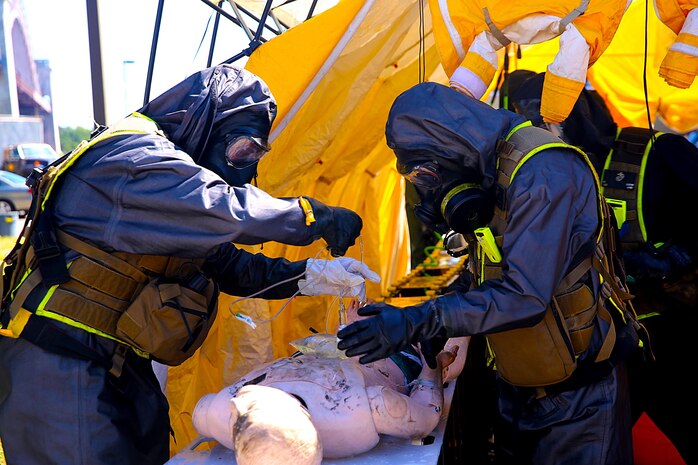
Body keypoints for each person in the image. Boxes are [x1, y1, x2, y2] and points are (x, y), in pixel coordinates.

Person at [0, 64, 380, 465]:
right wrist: (315, 216)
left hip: (114, 360)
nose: (247, 170)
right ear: (202, 122)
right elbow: (225, 209)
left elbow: (226, 265)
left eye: (256, 156)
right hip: (59, 363)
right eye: (243, 150)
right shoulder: (133, 159)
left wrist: (311, 276)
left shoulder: (168, 195)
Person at [337, 81, 645, 465]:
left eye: (430, 173)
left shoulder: (543, 172)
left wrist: (422, 319)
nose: (431, 189)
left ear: (452, 145)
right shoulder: (494, 168)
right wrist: (434, 325)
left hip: (579, 397)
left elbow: (524, 296)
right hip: (525, 382)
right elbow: (487, 271)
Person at [509, 71, 698, 465]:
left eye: (549, 118)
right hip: (597, 347)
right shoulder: (539, 176)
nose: (543, 131)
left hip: (673, 333)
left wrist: (678, 256)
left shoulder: (659, 152)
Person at [191, 299, 469, 462]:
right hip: (395, 355)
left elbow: (203, 410)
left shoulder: (221, 411)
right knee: (456, 333)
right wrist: (432, 367)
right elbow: (426, 417)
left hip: (331, 349)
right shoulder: (358, 411)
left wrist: (347, 332)